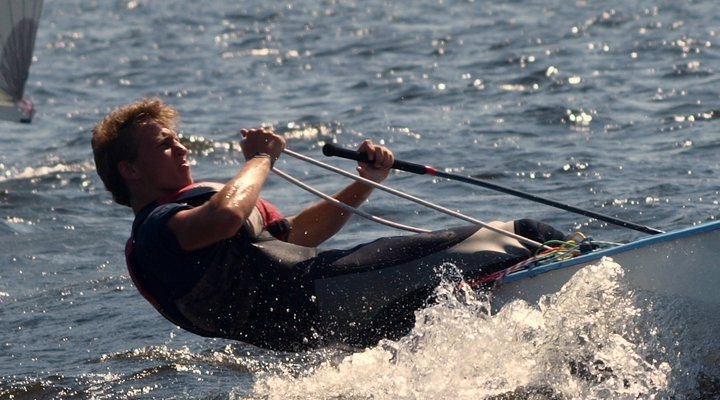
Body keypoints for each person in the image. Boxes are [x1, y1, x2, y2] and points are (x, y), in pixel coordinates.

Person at [93, 97, 566, 351]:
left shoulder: (192, 219)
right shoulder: (158, 227)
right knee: (530, 234)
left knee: (469, 289)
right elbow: (224, 217)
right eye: (164, 144)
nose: (181, 148)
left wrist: (366, 182)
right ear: (130, 170)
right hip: (327, 296)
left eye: (177, 139)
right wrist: (260, 158)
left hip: (325, 325)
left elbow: (300, 236)